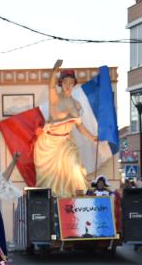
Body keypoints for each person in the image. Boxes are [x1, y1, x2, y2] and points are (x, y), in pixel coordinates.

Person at [33, 59, 98, 197]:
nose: (68, 85)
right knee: (50, 182)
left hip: (67, 143)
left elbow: (79, 126)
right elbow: (50, 86)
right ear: (60, 84)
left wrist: (92, 137)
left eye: (71, 82)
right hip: (49, 145)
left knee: (77, 171)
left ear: (74, 84)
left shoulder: (77, 105)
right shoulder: (55, 99)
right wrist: (55, 69)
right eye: (65, 82)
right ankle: (54, 208)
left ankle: (80, 204)